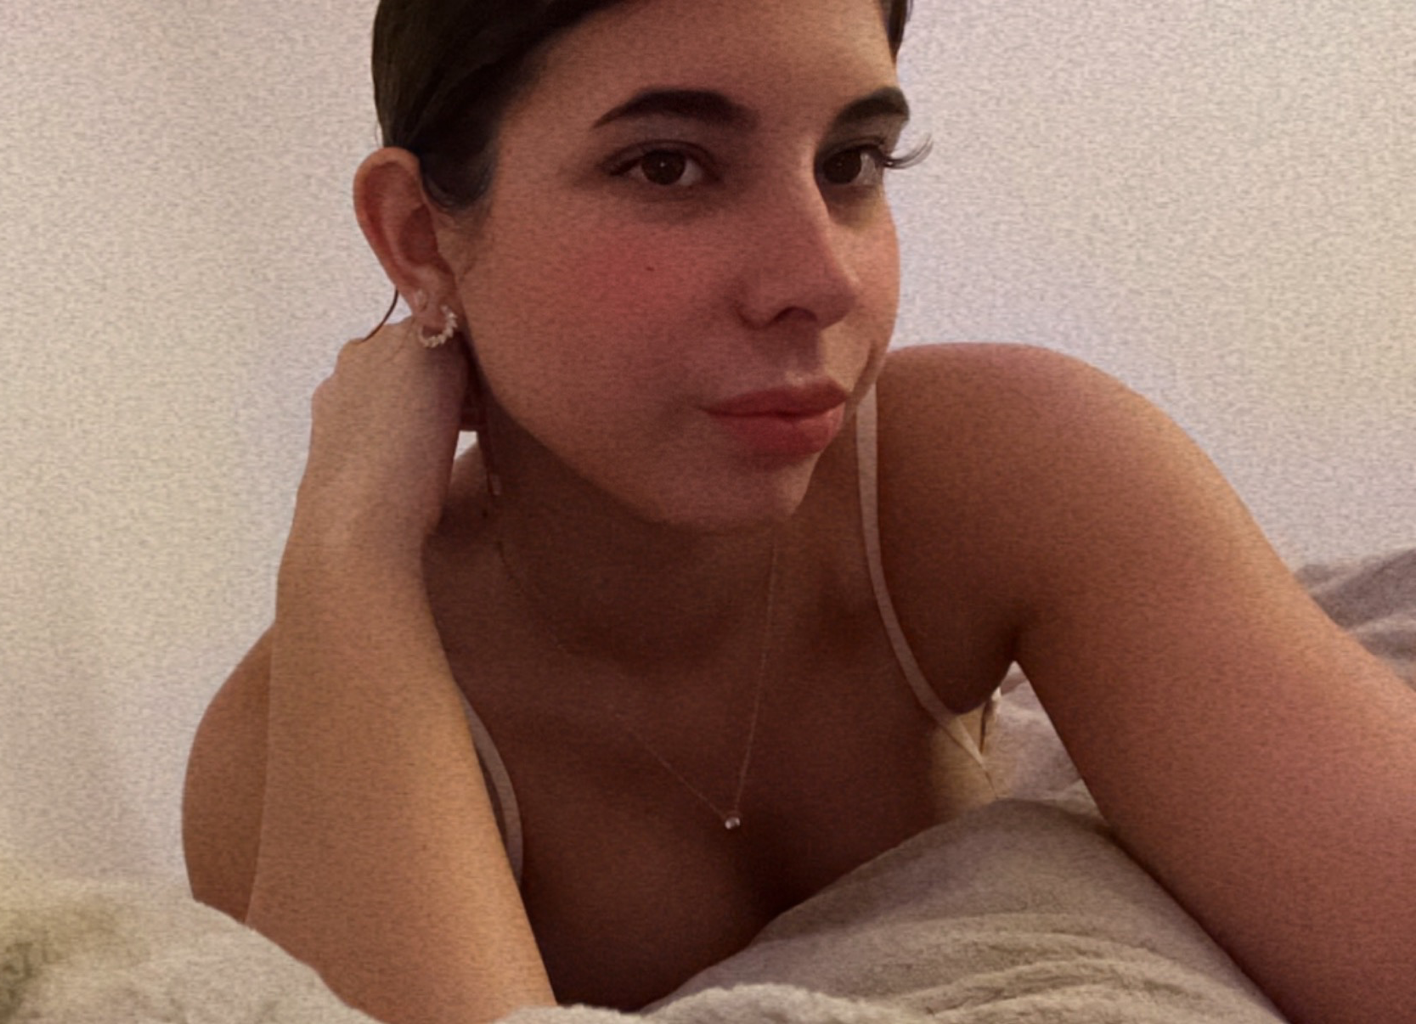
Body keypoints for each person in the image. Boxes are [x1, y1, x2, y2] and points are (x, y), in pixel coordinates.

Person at [180, 1, 1416, 1022]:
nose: (821, 277)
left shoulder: (1007, 466)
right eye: (667, 165)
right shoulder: (301, 730)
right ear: (420, 238)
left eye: (852, 163)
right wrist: (345, 541)